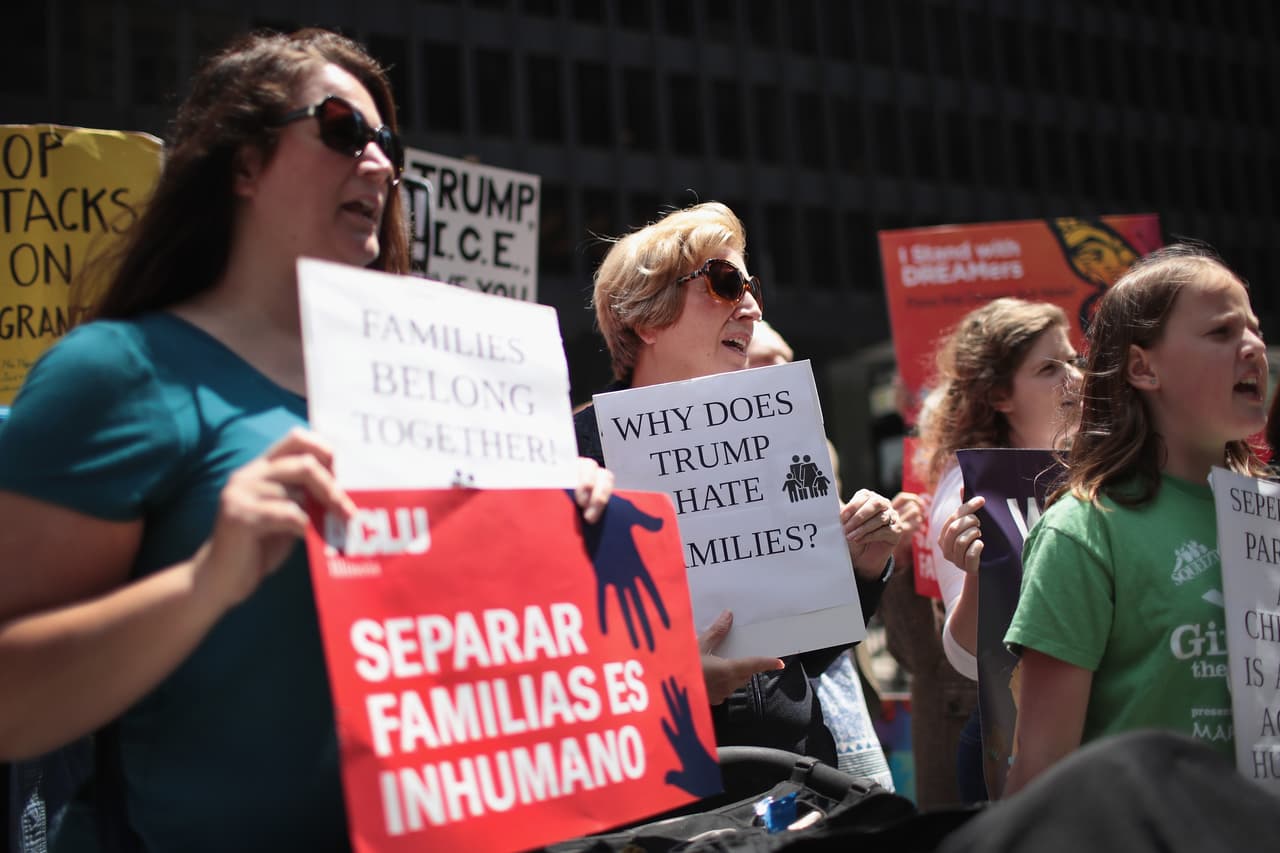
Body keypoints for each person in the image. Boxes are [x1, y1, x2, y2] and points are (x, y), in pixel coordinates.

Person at [0, 29, 612, 852]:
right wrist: (206, 578)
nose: (381, 164)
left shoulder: (432, 379)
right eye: (340, 129)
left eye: (389, 144)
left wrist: (557, 537)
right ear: (243, 163)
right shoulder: (118, 374)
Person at [574, 201, 903, 765]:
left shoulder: (779, 432)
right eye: (725, 283)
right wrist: (669, 686)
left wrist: (861, 567)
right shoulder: (572, 455)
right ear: (648, 318)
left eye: (751, 287)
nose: (750, 308)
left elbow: (804, 657)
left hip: (795, 777)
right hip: (665, 795)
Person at [1002, 244, 1270, 796]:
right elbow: (1042, 773)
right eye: (1221, 333)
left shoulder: (1268, 515)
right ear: (1143, 367)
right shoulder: (1084, 531)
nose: (1253, 348)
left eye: (1255, 330)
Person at [916, 298, 1082, 801]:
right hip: (1016, 747)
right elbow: (969, 660)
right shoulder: (967, 494)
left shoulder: (1099, 470)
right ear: (999, 396)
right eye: (1050, 367)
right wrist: (976, 577)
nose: (1075, 377)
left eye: (1073, 358)